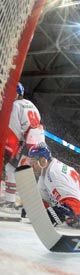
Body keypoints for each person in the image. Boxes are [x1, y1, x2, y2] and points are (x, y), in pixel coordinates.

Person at [1, 82, 45, 211]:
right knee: (22, 171)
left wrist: (13, 146)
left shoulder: (15, 105)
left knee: (11, 168)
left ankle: (11, 202)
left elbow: (14, 127)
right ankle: (27, 203)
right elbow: (38, 120)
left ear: (18, 93)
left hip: (26, 141)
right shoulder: (31, 104)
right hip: (37, 141)